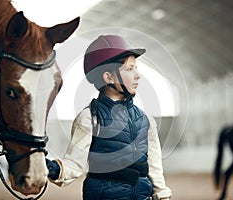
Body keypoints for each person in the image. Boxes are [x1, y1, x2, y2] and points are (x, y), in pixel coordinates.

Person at [46, 35, 172, 200]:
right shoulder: (89, 118)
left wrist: (162, 193)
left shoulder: (146, 120)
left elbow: (154, 167)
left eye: (136, 68)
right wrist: (51, 168)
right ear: (108, 77)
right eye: (129, 69)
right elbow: (75, 164)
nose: (137, 75)